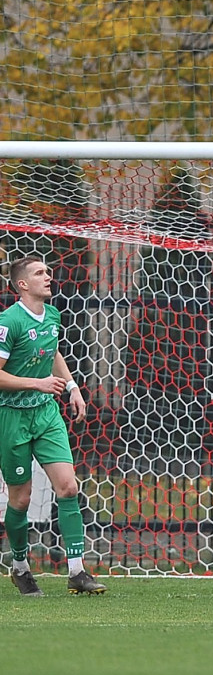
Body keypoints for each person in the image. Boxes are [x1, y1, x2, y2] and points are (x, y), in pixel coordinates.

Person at [0, 255, 106, 596]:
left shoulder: (54, 315)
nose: (49, 276)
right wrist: (38, 383)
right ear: (22, 285)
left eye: (48, 271)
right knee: (21, 499)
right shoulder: (9, 322)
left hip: (46, 414)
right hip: (12, 416)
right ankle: (20, 567)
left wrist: (72, 387)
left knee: (69, 487)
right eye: (40, 273)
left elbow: (53, 351)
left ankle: (77, 571)